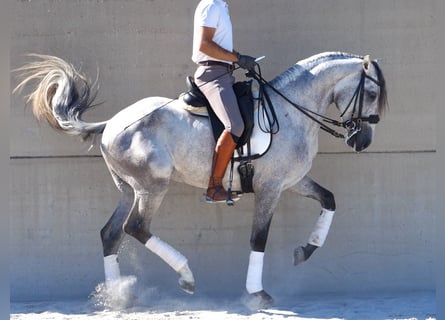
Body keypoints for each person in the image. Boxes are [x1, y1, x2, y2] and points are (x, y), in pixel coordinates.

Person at [192, 0, 256, 203]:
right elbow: (204, 44)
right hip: (212, 75)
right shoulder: (211, 5)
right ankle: (214, 186)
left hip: (224, 74)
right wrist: (237, 58)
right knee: (235, 125)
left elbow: (219, 44)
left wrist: (238, 58)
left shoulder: (221, 6)